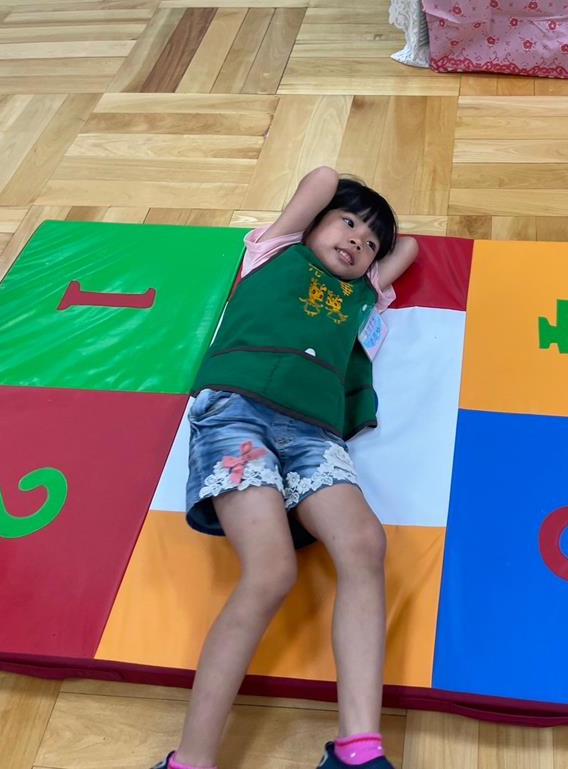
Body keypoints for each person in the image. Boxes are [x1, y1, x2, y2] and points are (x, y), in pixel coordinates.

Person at [153, 166, 418, 769]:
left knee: (365, 544)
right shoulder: (274, 251)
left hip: (314, 434)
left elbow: (408, 251)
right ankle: (190, 759)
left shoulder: (362, 295)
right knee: (271, 570)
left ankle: (358, 749)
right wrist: (335, 210)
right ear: (311, 224)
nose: (357, 241)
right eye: (346, 224)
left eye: (368, 242)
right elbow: (321, 178)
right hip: (237, 412)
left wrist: (372, 254)